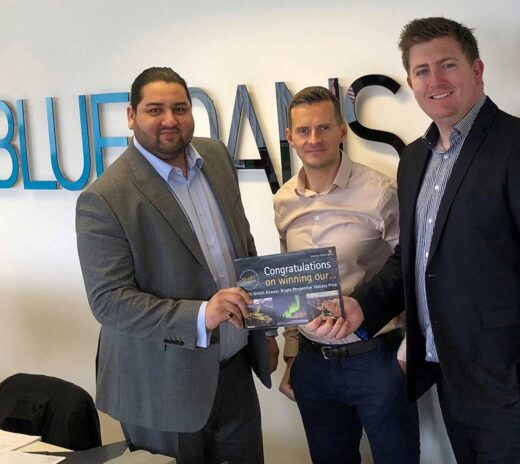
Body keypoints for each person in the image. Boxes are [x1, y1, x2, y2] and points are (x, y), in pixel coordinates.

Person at [313, 17, 520, 462]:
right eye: (422, 71)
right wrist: (362, 306)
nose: (435, 81)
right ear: (410, 82)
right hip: (448, 373)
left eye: (448, 65)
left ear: (477, 69)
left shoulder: (515, 145)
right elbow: (412, 257)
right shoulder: (413, 160)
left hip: (508, 380)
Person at [76, 66, 278, 463]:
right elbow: (109, 302)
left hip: (235, 370)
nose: (170, 119)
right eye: (155, 110)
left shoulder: (216, 156)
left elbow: (243, 245)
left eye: (180, 108)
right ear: (131, 115)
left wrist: (265, 328)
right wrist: (202, 314)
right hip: (162, 386)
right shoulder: (105, 197)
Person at [274, 86, 419, 464]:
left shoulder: (381, 192)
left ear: (341, 131)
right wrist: (292, 356)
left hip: (377, 359)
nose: (313, 138)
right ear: (290, 137)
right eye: (303, 130)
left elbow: (412, 267)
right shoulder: (283, 201)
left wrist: (407, 355)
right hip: (313, 366)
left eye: (324, 128)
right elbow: (292, 284)